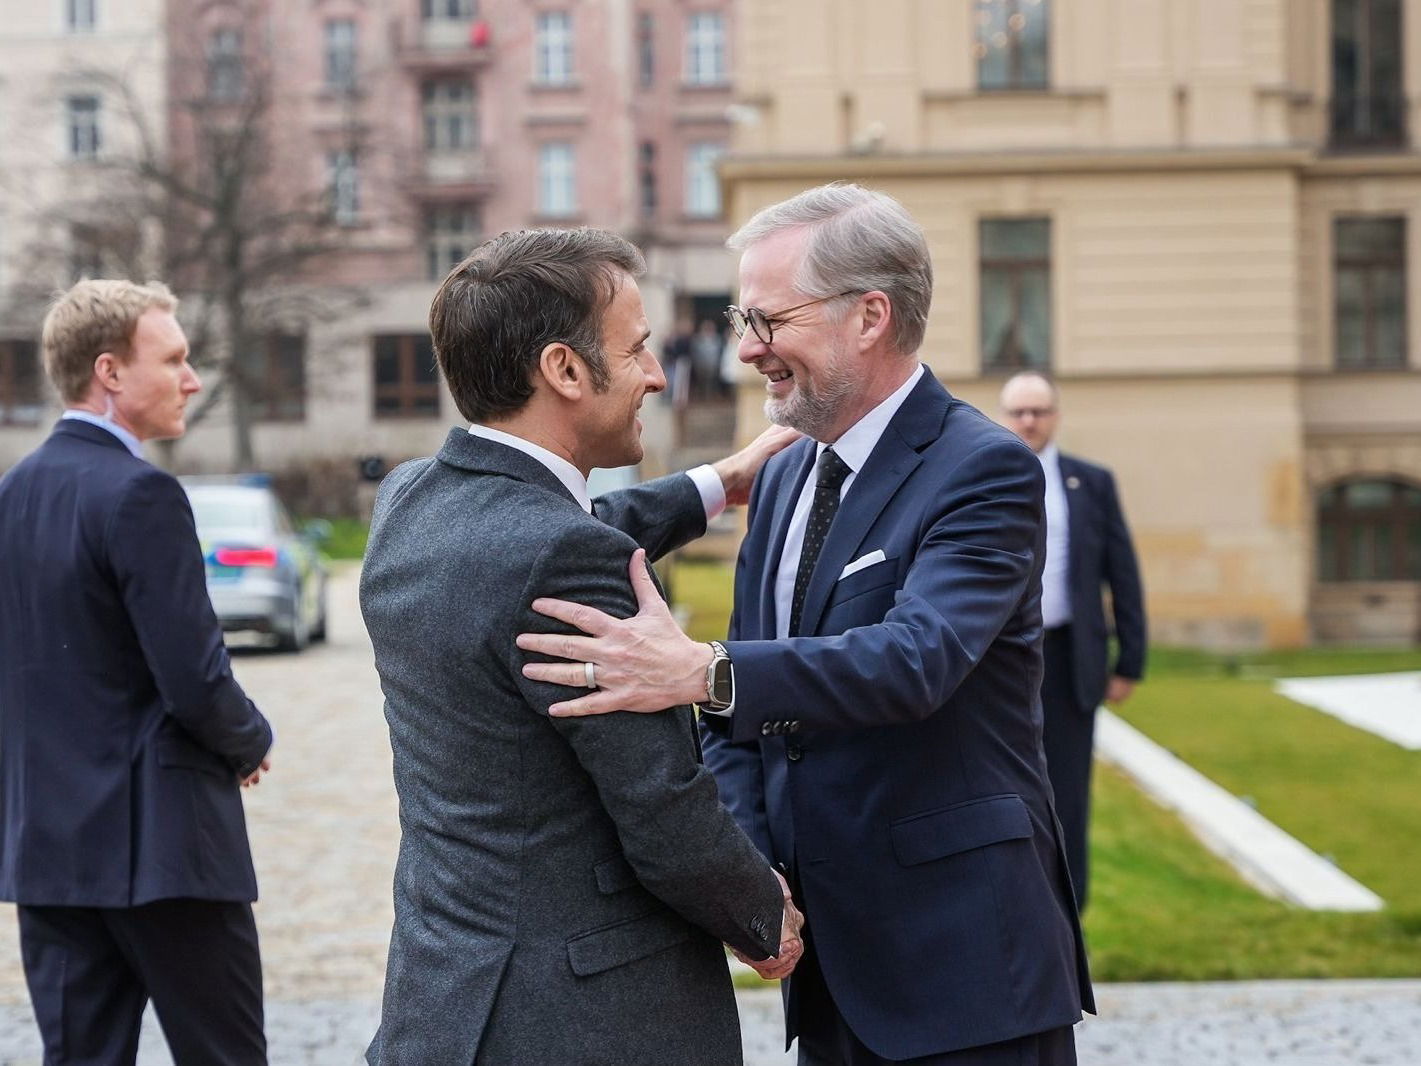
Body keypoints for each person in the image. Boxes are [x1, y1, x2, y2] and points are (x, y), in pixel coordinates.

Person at [517, 184, 1093, 1065]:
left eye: (766, 319)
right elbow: (743, 733)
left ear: (869, 316)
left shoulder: (985, 471)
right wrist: (755, 886)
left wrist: (702, 670)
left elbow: (912, 661)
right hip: (824, 971)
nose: (745, 349)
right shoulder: (784, 476)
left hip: (965, 971)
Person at [358, 227, 804, 1066]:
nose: (657, 374)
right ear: (563, 369)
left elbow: (560, 538)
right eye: (635, 349)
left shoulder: (411, 502)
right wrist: (759, 915)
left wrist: (715, 483)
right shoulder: (559, 558)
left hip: (446, 1003)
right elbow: (660, 802)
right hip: (584, 1018)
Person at [0, 279, 274, 1064]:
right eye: (177, 359)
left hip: (50, 849)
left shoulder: (10, 496)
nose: (192, 378)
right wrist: (249, 741)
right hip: (164, 848)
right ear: (110, 372)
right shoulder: (141, 493)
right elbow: (193, 676)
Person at [999, 370, 1146, 911]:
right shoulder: (983, 479)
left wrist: (1129, 659)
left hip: (1068, 660)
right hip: (1002, 661)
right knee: (1008, 787)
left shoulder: (1091, 483)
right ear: (1005, 417)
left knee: (1068, 794)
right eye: (1019, 412)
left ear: (1056, 417)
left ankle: (1069, 915)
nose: (1029, 421)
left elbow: (1121, 571)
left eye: (1039, 411)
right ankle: (1016, 905)